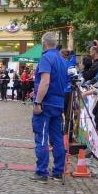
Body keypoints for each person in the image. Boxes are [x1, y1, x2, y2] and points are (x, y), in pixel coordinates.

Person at [29, 32, 69, 183]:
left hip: (46, 103)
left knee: (42, 137)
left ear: (44, 44)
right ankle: (58, 171)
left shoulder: (46, 58)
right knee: (57, 138)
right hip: (58, 103)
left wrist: (38, 102)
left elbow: (45, 81)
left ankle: (42, 172)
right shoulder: (63, 59)